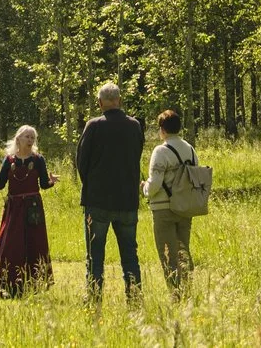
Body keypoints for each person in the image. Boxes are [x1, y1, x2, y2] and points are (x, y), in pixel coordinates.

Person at [74, 81, 145, 298]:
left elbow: (81, 162)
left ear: (100, 103)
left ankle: (94, 298)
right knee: (130, 256)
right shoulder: (134, 126)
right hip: (126, 199)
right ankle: (134, 298)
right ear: (119, 101)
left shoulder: (93, 125)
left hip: (98, 200)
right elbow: (136, 155)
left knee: (95, 256)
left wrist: (92, 183)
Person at [0, 124, 55, 295]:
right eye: (27, 136)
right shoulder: (9, 160)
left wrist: (51, 182)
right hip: (14, 208)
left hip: (33, 208)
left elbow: (43, 185)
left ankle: (35, 284)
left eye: (32, 137)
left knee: (35, 242)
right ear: (18, 138)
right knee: (11, 244)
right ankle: (7, 284)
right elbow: (0, 184)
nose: (30, 140)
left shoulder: (38, 159)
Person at [144, 108, 201, 293]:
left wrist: (144, 188)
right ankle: (188, 289)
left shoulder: (161, 151)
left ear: (163, 129)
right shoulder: (190, 150)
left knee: (168, 255)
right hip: (185, 207)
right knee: (183, 251)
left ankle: (176, 294)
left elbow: (155, 184)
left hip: (164, 209)